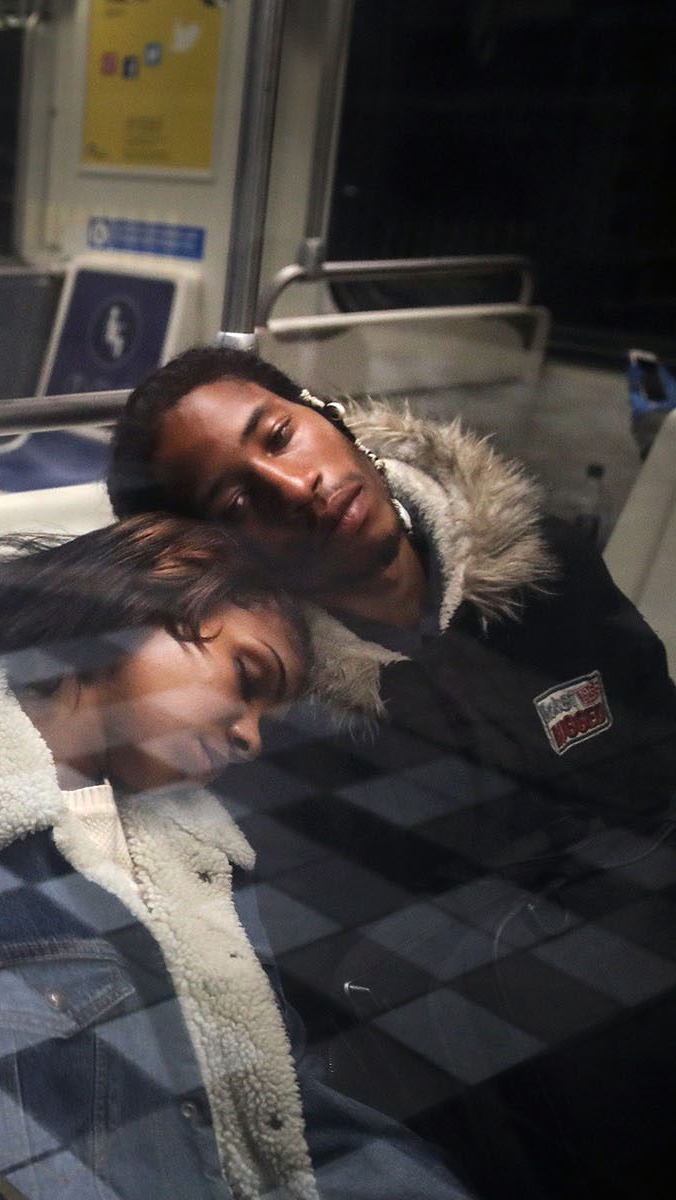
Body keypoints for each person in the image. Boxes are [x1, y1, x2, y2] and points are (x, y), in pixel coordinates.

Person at [105, 346, 676, 1198]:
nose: (295, 486)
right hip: (522, 1085)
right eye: (237, 498)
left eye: (281, 435)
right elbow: (371, 1000)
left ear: (327, 418)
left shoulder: (547, 567)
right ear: (219, 552)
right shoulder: (274, 729)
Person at [0, 514, 473, 1200]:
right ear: (145, 600)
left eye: (269, 719)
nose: (252, 739)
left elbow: (283, 1112)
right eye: (247, 677)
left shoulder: (191, 847)